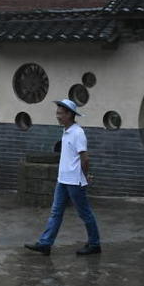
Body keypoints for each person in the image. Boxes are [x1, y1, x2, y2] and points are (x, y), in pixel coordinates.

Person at [24, 99, 100, 255]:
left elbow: (85, 158)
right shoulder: (66, 131)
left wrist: (85, 176)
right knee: (56, 212)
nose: (57, 116)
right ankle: (45, 243)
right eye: (57, 113)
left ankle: (94, 244)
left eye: (60, 113)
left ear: (69, 114)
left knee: (84, 213)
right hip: (63, 180)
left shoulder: (78, 133)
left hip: (74, 181)